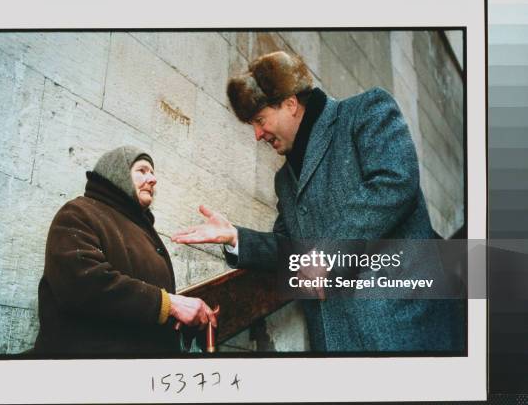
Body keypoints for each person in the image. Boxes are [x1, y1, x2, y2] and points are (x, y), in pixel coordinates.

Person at [172, 51, 463, 352]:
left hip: (401, 329)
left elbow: (394, 181)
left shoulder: (366, 110)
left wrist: (325, 254)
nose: (258, 135)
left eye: (260, 120)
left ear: (290, 103)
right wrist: (236, 238)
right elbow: (292, 250)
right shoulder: (284, 179)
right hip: (335, 342)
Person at [34, 145, 217, 355]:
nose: (153, 179)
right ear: (117, 174)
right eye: (142, 170)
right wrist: (169, 304)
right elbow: (82, 282)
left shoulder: (141, 229)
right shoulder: (79, 212)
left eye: (153, 172)